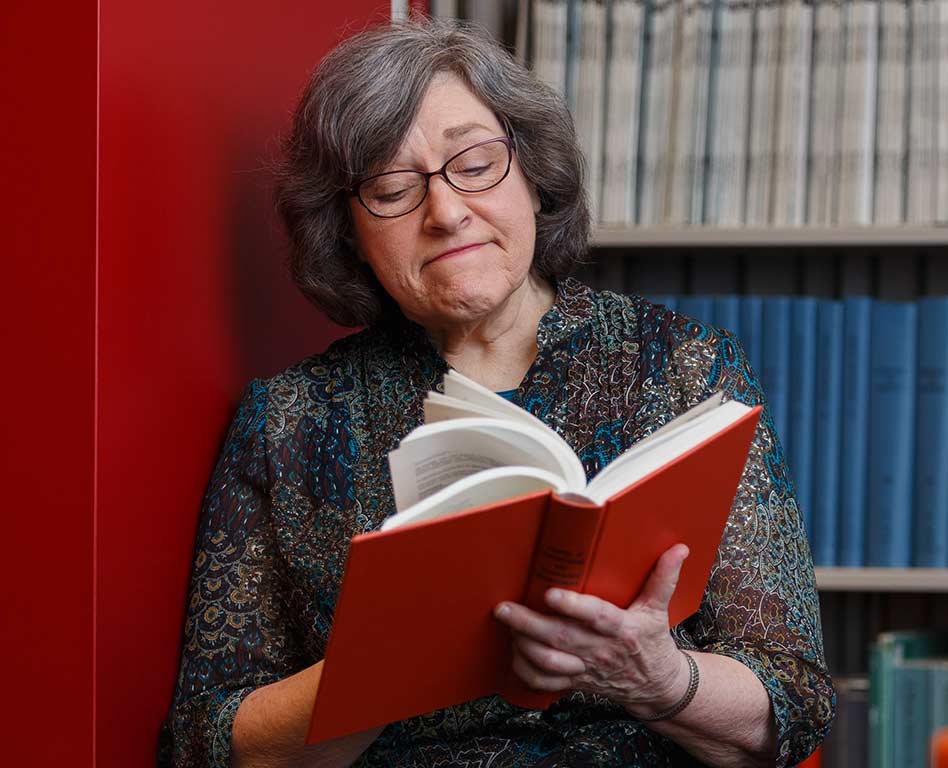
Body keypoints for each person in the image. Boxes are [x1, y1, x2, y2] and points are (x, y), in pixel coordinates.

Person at [158, 17, 833, 768]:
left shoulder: (682, 367)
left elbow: (794, 704)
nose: (445, 213)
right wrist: (385, 671)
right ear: (344, 230)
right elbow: (206, 741)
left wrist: (658, 678)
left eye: (474, 163)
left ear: (532, 174)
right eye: (390, 186)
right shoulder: (290, 421)